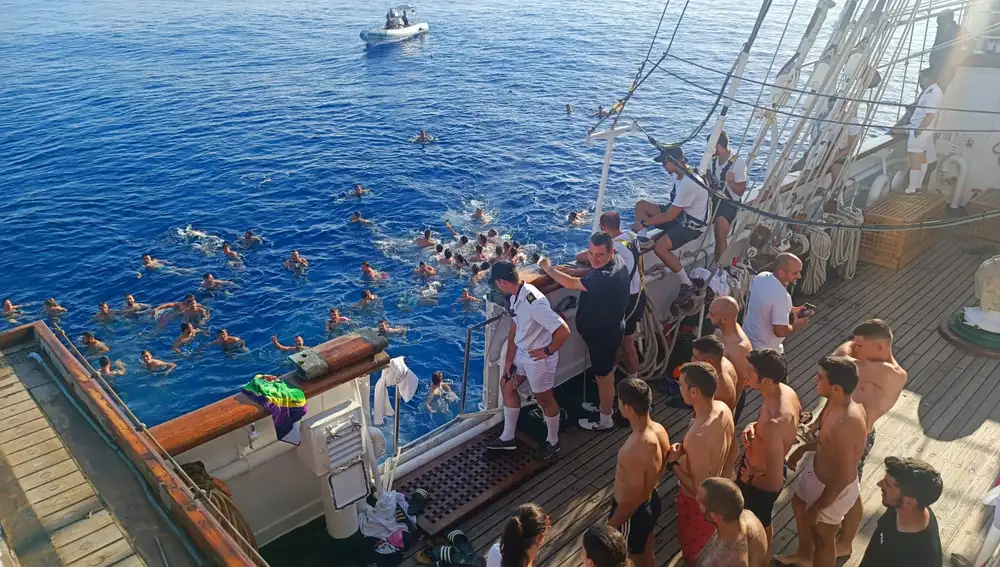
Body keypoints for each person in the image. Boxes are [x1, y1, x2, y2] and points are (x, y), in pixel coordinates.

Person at [825, 319, 909, 559]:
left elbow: (836, 363)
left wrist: (848, 352)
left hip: (857, 440)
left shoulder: (892, 374)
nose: (855, 348)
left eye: (861, 345)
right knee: (840, 486)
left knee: (850, 491)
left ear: (881, 347)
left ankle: (846, 542)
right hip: (841, 432)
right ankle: (835, 524)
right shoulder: (868, 362)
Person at [777, 357, 867, 567]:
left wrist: (819, 506)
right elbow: (827, 443)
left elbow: (845, 474)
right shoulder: (833, 401)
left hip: (833, 489)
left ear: (835, 387)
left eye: (820, 378)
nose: (815, 380)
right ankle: (804, 555)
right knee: (798, 504)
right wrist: (802, 450)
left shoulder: (847, 422)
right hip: (815, 473)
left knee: (824, 537)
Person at [539, 232, 630, 432]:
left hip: (603, 336)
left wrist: (547, 268)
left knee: (603, 377)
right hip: (611, 329)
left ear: (611, 252)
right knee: (607, 373)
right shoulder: (617, 263)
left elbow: (570, 284)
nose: (593, 259)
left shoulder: (604, 277)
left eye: (599, 255)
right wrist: (580, 271)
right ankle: (606, 407)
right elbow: (591, 274)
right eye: (591, 253)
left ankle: (605, 419)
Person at [487, 261, 571, 460]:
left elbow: (563, 330)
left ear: (502, 282)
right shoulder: (518, 296)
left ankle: (553, 441)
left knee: (544, 399)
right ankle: (508, 437)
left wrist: (547, 351)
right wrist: (509, 361)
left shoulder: (535, 303)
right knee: (507, 386)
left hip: (537, 361)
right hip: (522, 356)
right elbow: (515, 328)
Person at [668, 362, 735, 565]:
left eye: (681, 385)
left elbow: (699, 489)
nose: (679, 388)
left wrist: (674, 464)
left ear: (694, 391)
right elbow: (733, 450)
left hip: (699, 506)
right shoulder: (723, 408)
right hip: (720, 490)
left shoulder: (699, 435)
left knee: (693, 556)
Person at [737, 349, 800, 560]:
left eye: (750, 372)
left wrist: (750, 478)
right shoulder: (784, 391)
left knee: (755, 529)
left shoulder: (776, 421)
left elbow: (774, 483)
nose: (746, 373)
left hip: (759, 481)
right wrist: (753, 426)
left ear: (764, 380)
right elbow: (770, 431)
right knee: (763, 523)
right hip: (758, 470)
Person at [631, 145, 709, 298]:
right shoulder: (682, 176)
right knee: (641, 205)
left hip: (691, 226)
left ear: (675, 161)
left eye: (664, 163)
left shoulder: (689, 183)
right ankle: (643, 240)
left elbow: (669, 216)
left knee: (660, 248)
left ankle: (688, 284)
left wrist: (644, 223)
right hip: (682, 215)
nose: (663, 166)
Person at [576, 211, 645, 382]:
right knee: (620, 342)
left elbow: (583, 258)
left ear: (603, 228)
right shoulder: (630, 235)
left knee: (627, 343)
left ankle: (634, 383)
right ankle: (611, 374)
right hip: (639, 293)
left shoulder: (614, 246)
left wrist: (577, 268)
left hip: (629, 299)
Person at [609, 379, 670, 567]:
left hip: (632, 514)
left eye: (618, 400)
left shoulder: (634, 448)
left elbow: (632, 500)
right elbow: (664, 464)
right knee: (645, 550)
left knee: (628, 559)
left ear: (627, 408)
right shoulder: (659, 430)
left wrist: (610, 526)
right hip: (652, 500)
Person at [858, 457, 943, 567]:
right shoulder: (898, 507)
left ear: (908, 503)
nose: (879, 484)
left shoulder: (920, 557)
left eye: (888, 485)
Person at [691, 335, 740, 478]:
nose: (692, 360)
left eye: (695, 357)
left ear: (709, 361)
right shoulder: (724, 363)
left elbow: (711, 426)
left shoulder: (720, 390)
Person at [742, 253, 811, 352]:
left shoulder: (761, 277)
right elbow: (780, 331)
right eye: (795, 273)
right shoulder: (782, 296)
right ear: (782, 273)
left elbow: (767, 303)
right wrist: (796, 325)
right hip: (765, 352)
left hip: (747, 339)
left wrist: (793, 309)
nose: (799, 276)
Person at [694, 477, 769, 566]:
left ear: (714, 517)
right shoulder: (749, 516)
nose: (696, 499)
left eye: (700, 504)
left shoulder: (722, 560)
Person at [707, 296, 753, 422]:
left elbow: (738, 387)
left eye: (712, 314)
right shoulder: (722, 330)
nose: (707, 316)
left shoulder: (739, 349)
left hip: (727, 403)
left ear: (725, 319)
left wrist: (727, 419)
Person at [706, 132, 748, 264]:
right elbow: (707, 177)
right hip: (714, 198)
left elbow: (741, 191)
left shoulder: (738, 163)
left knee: (720, 235)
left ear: (718, 146)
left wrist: (730, 182)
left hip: (729, 203)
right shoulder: (711, 159)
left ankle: (720, 268)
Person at [905, 69, 943, 194]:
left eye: (921, 78)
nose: (919, 81)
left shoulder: (932, 94)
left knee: (915, 159)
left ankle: (912, 188)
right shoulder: (934, 91)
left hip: (921, 129)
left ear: (929, 78)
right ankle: (918, 186)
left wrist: (919, 129)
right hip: (926, 130)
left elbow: (929, 115)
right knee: (922, 159)